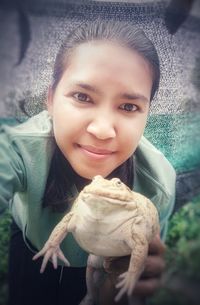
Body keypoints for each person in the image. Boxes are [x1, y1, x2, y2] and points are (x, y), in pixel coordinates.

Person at [0, 20, 176, 305]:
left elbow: (144, 258)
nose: (103, 130)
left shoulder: (159, 184)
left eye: (129, 106)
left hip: (101, 259)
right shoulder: (20, 146)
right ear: (50, 98)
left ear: (147, 115)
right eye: (82, 96)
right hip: (35, 242)